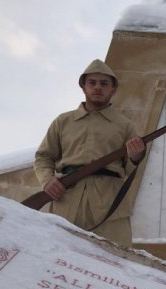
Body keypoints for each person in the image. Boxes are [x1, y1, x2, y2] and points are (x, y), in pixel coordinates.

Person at [34, 59, 145, 247]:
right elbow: (44, 157)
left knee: (115, 260)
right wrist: (47, 180)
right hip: (67, 200)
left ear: (113, 90)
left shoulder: (125, 126)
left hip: (109, 204)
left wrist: (135, 156)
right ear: (83, 87)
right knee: (59, 254)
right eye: (92, 83)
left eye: (104, 83)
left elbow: (130, 168)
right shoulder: (63, 122)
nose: (98, 88)